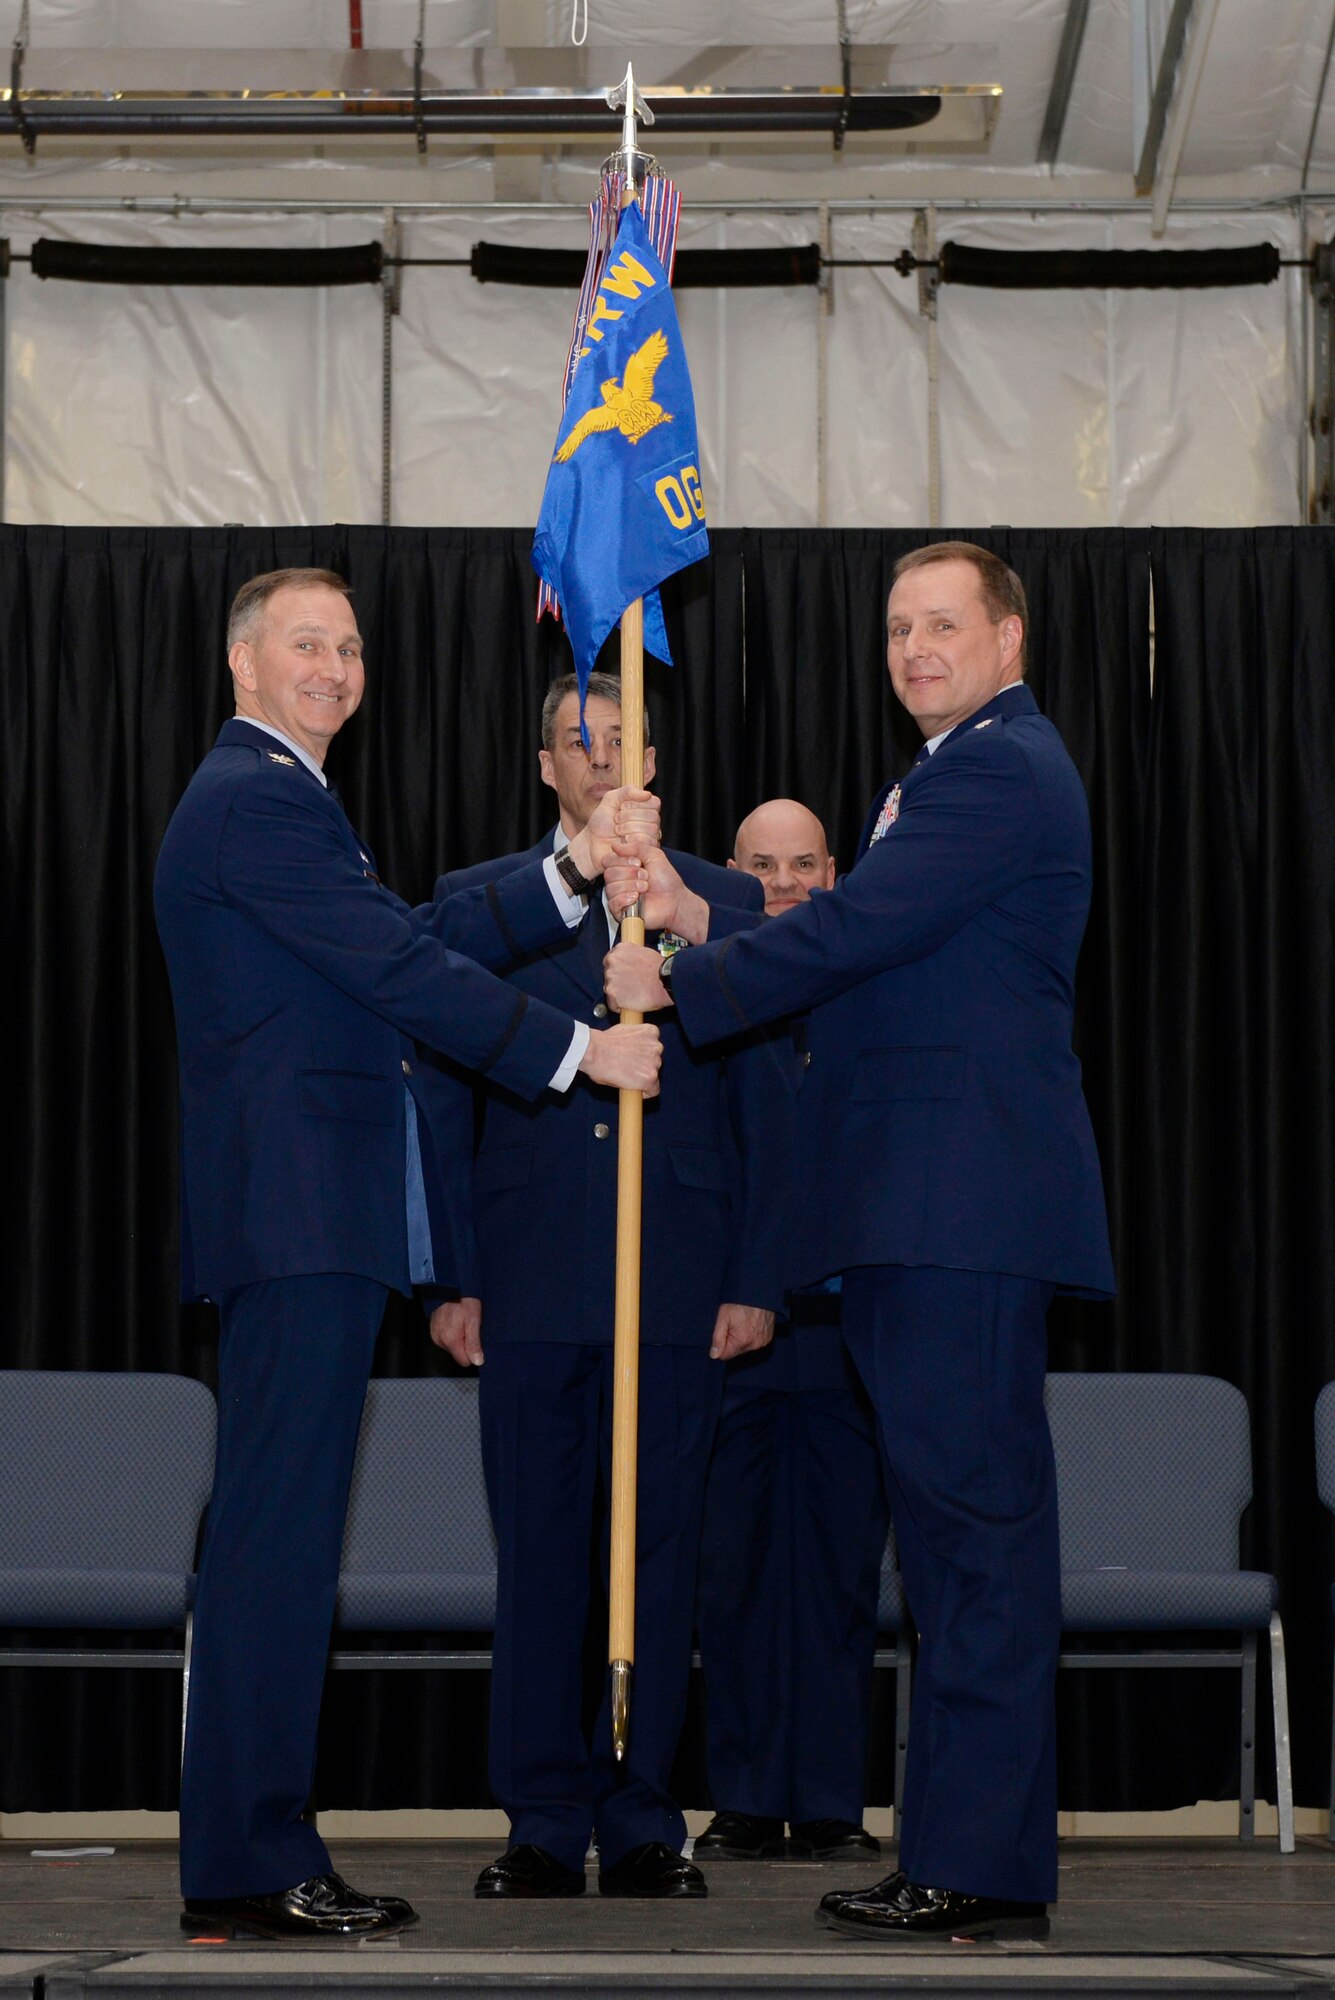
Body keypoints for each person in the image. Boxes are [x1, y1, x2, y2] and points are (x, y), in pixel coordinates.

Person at [605, 543, 1115, 1943]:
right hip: (928, 1207)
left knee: (968, 1544)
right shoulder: (950, 775)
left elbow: (855, 932)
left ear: (1008, 639)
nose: (913, 647)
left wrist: (683, 974)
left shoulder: (992, 770)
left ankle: (969, 1861)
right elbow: (872, 951)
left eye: (942, 623)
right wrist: (702, 913)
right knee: (958, 1545)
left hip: (954, 1205)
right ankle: (971, 1854)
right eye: (897, 626)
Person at [154, 572, 662, 1941]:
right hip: (299, 1211)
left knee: (284, 1537)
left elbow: (408, 942)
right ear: (242, 661)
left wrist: (567, 871)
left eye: (351, 645)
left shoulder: (282, 802)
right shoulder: (254, 795)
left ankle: (250, 1853)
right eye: (305, 644)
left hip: (309, 1214)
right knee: (275, 1545)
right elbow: (398, 967)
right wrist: (576, 1052)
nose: (335, 665)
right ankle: (253, 1864)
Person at [424, 670, 790, 1902]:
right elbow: (441, 1096)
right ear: (546, 767)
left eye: (622, 733)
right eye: (580, 741)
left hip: (681, 1271)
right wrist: (450, 1276)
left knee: (661, 1553)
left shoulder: (725, 902)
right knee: (538, 1553)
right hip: (527, 1274)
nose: (602, 755)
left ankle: (642, 1814)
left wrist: (757, 1274)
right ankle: (539, 1814)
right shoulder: (483, 902)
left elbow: (762, 1098)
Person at [694, 799, 889, 1866]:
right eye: (762, 865)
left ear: (835, 868)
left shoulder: (867, 976)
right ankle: (741, 1794)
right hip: (731, 1324)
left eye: (802, 864)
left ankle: (827, 1799)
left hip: (848, 1326)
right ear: (730, 871)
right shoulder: (703, 990)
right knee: (730, 1576)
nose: (783, 884)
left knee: (836, 1578)